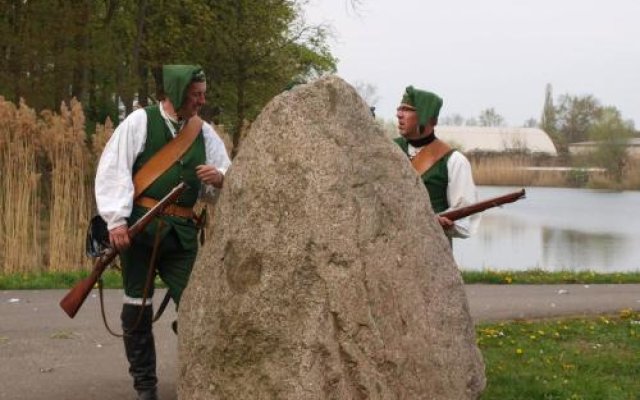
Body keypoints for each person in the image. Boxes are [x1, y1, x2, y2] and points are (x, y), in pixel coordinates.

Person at [94, 65, 231, 400]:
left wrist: (220, 178)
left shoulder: (204, 132)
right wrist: (116, 221)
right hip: (139, 232)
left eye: (203, 94)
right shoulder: (140, 122)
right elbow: (114, 169)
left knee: (200, 306)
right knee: (137, 306)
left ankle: (199, 377)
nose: (202, 101)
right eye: (196, 94)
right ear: (178, 93)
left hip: (183, 235)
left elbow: (226, 173)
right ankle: (146, 388)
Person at [394, 85, 478, 241]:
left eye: (407, 110)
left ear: (428, 118)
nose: (399, 114)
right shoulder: (387, 149)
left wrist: (449, 225)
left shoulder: (454, 161)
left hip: (432, 251)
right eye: (399, 109)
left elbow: (465, 217)